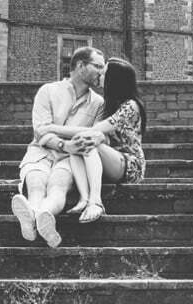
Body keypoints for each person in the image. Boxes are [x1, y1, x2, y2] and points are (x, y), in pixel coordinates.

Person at [10, 46, 106, 247]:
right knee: (36, 184)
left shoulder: (98, 103)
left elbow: (95, 134)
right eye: (97, 66)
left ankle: (37, 216)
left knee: (58, 186)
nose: (102, 72)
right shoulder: (48, 91)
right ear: (80, 66)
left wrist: (69, 147)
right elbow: (40, 130)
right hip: (41, 151)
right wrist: (65, 144)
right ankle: (38, 218)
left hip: (71, 158)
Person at [64, 58, 147, 223]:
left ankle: (96, 202)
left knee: (85, 140)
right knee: (78, 144)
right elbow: (98, 134)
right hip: (111, 161)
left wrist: (51, 129)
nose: (99, 75)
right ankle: (85, 199)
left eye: (104, 73)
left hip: (131, 166)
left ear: (114, 80)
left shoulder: (130, 106)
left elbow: (95, 130)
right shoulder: (108, 104)